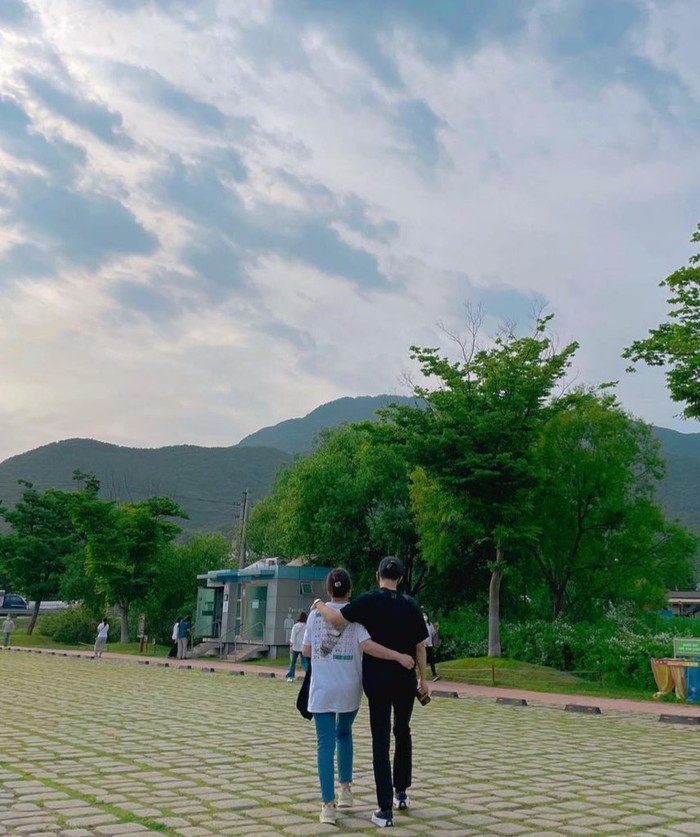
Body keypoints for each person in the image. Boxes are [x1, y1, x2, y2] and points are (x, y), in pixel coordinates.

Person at [314, 556, 428, 828]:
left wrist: (318, 603)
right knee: (403, 731)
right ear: (401, 578)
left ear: (378, 575)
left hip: (377, 681)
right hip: (405, 678)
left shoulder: (367, 601)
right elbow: (420, 646)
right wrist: (423, 680)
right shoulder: (411, 605)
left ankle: (384, 810)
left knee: (381, 740)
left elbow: (335, 619)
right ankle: (402, 792)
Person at [286, 612, 308, 682]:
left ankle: (290, 677)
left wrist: (291, 645)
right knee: (305, 662)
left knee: (293, 662)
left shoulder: (295, 626)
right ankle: (309, 676)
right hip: (304, 647)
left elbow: (293, 637)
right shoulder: (307, 626)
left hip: (295, 647)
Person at [422, 610, 440, 681]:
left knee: (432, 660)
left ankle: (434, 675)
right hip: (423, 645)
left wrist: (437, 629)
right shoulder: (420, 625)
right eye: (423, 615)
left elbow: (432, 634)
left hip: (429, 645)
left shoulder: (430, 624)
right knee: (423, 660)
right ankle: (422, 677)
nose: (424, 617)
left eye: (425, 615)